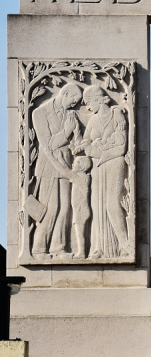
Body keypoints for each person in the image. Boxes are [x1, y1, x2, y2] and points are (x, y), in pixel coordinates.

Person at [74, 85, 131, 258]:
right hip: (98, 166)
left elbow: (121, 147)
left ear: (99, 99)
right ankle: (98, 248)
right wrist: (80, 146)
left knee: (112, 204)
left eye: (89, 102)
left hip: (114, 163)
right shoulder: (93, 120)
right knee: (96, 205)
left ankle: (124, 245)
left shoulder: (117, 114)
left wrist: (98, 151)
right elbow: (85, 141)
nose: (88, 107)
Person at [29, 82, 83, 260]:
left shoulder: (71, 113)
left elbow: (76, 144)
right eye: (73, 101)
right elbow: (48, 146)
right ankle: (39, 249)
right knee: (51, 208)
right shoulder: (40, 113)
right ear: (65, 94)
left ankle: (58, 248)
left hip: (67, 164)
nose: (74, 105)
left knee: (65, 208)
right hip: (48, 167)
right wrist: (66, 132)